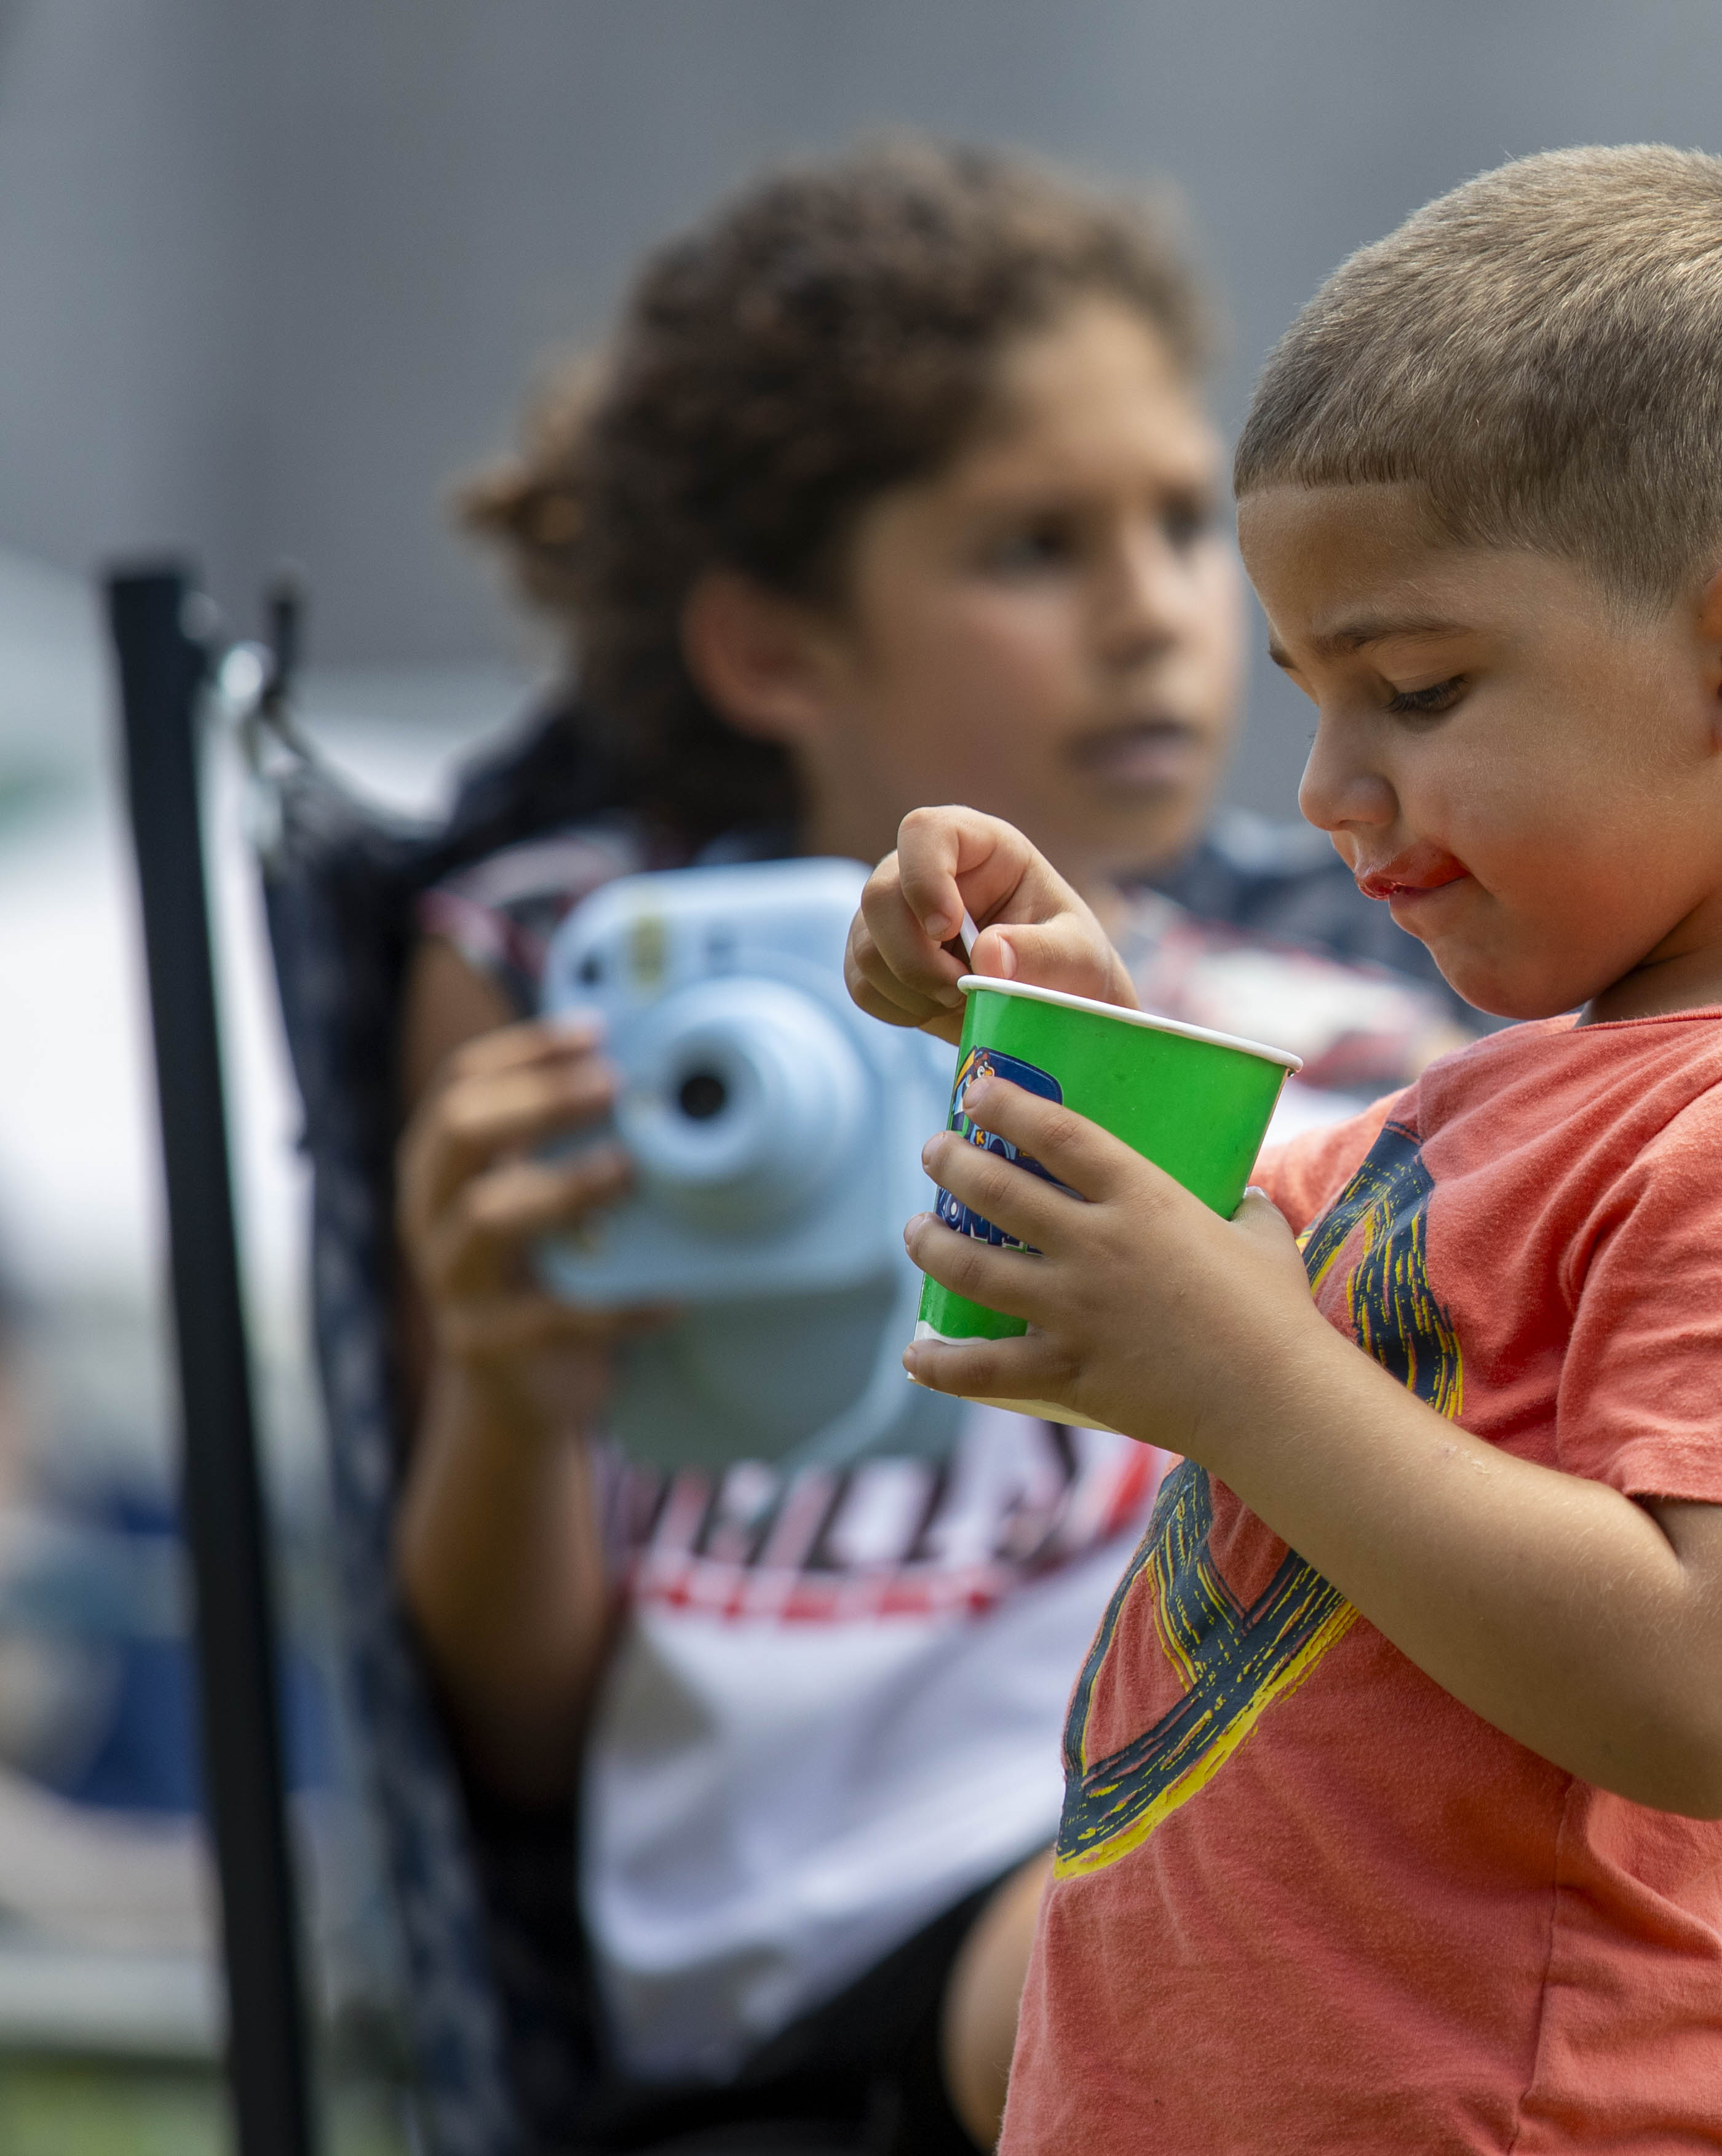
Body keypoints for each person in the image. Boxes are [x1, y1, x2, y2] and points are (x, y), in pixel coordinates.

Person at [839, 143, 1722, 2153]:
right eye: (1311, 701)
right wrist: (1067, 1021)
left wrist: (1241, 1374)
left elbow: (1707, 1680)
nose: (1323, 790)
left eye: (1414, 688)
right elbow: (1283, 1310)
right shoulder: (1523, 1090)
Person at [391, 140, 1459, 2152]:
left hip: (1293, 1805)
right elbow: (510, 1726)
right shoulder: (567, 967)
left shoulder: (1372, 980)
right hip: (836, 1943)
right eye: (1033, 548)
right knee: (1198, 1941)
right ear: (771, 651)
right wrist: (517, 1403)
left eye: (1173, 522)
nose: (1154, 615)